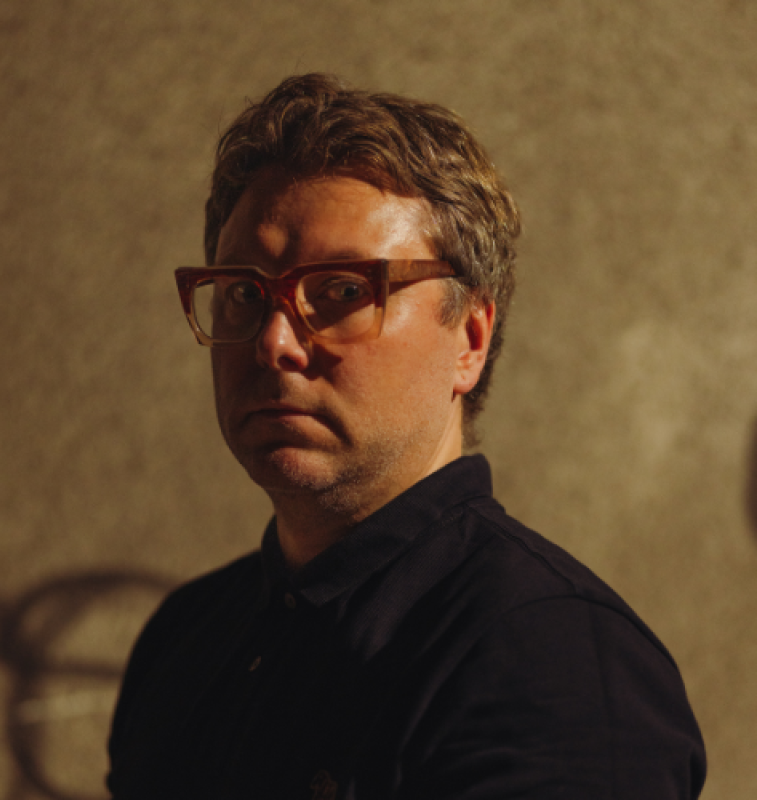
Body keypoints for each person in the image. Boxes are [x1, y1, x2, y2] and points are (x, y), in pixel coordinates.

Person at [106, 73, 706, 800]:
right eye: (244, 293)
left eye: (343, 291)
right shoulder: (188, 637)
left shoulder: (553, 659)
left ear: (470, 340)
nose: (273, 343)